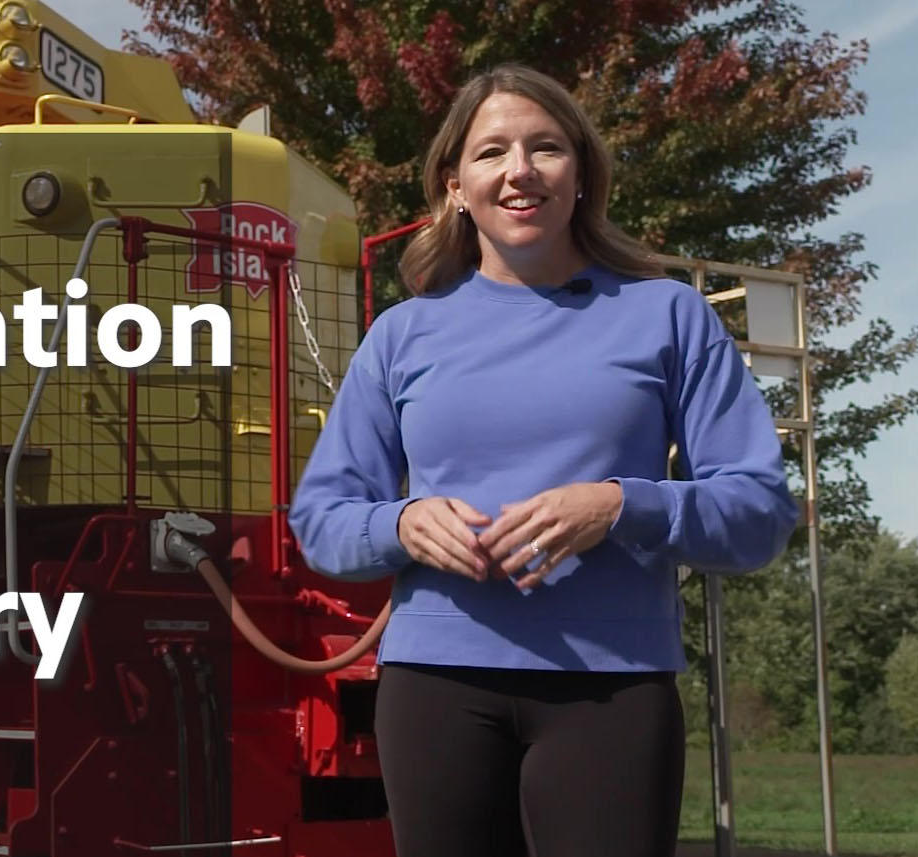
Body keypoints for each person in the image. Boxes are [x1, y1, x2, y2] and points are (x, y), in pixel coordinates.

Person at [288, 63, 800, 857]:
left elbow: (760, 511)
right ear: (455, 184)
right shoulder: (402, 334)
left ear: (582, 174)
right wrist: (404, 521)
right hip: (435, 687)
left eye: (546, 148)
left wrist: (622, 506)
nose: (519, 171)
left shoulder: (669, 316)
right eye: (493, 152)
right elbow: (321, 520)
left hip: (613, 689)